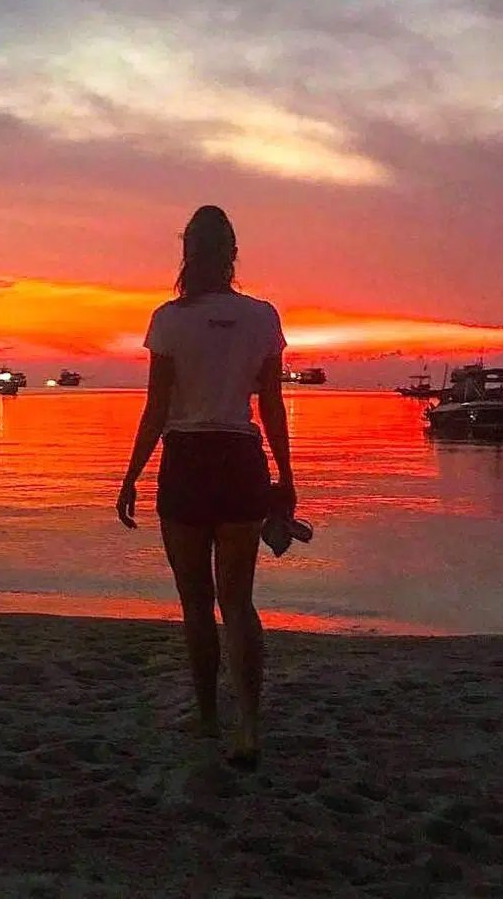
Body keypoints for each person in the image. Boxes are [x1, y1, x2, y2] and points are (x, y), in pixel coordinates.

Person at [116, 204, 295, 770]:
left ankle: (208, 719)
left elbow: (156, 409)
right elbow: (270, 406)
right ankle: (249, 729)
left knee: (197, 606)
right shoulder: (263, 317)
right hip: (241, 461)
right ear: (233, 254)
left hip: (187, 463)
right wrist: (286, 480)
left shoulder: (169, 319)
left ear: (187, 253)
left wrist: (131, 475)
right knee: (238, 603)